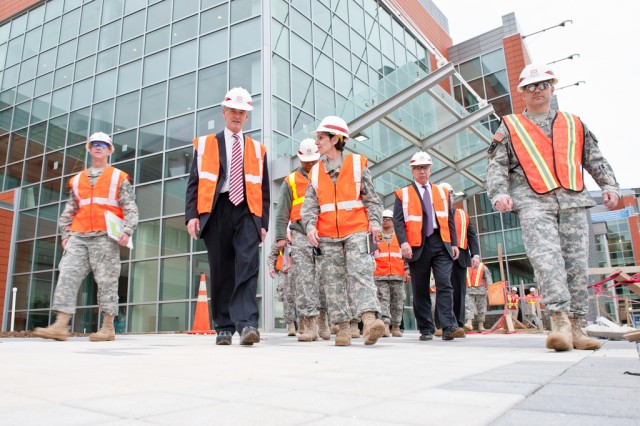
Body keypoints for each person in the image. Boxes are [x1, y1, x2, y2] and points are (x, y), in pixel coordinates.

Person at [486, 63, 620, 351]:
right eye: (530, 87)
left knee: (575, 265)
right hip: (533, 201)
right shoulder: (511, 126)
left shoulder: (574, 123)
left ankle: (576, 326)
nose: (537, 90)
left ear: (552, 88)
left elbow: (594, 158)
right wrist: (499, 194)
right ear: (522, 92)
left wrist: (609, 186)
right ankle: (558, 322)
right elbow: (496, 166)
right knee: (547, 260)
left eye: (542, 85)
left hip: (572, 200)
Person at [34, 132, 138, 342]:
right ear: (89, 149)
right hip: (79, 236)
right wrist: (66, 234)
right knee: (67, 275)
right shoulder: (77, 179)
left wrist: (127, 231)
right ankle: (60, 325)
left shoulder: (118, 177)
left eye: (103, 145)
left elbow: (130, 207)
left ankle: (108, 327)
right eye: (94, 144)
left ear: (110, 150)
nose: (98, 147)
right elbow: (69, 210)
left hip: (105, 237)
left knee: (107, 281)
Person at [185, 87, 270, 346]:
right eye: (233, 110)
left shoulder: (257, 149)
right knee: (221, 268)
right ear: (224, 112)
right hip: (217, 209)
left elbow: (264, 187)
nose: (237, 115)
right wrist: (192, 216)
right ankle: (224, 326)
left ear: (247, 118)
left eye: (242, 112)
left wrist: (263, 223)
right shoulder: (206, 144)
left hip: (247, 211)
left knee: (247, 266)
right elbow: (194, 183)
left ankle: (247, 325)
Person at [301, 115, 386, 346]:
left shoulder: (358, 164)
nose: (316, 142)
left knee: (360, 272)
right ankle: (343, 327)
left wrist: (375, 223)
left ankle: (369, 321)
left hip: (357, 229)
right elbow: (309, 206)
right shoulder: (316, 171)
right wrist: (310, 227)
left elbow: (372, 200)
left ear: (335, 138)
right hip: (327, 234)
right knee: (332, 280)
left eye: (320, 138)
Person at [393, 151, 463, 341]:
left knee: (444, 283)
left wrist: (454, 243)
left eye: (425, 168)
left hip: (441, 243)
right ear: (412, 171)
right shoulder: (403, 194)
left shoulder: (442, 192)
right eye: (418, 168)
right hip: (417, 246)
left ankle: (448, 325)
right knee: (420, 288)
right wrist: (403, 242)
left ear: (430, 170)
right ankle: (426, 329)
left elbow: (449, 219)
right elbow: (398, 222)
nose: (422, 171)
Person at [273, 138, 329, 342]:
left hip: (324, 232)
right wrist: (280, 236)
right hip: (299, 232)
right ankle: (311, 323)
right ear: (299, 157)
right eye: (307, 161)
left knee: (324, 279)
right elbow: (282, 211)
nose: (310, 164)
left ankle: (324, 319)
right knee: (305, 280)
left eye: (313, 160)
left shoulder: (327, 175)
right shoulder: (290, 180)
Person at [439, 182, 480, 333]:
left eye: (450, 194)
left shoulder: (463, 214)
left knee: (459, 291)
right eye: (445, 194)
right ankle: (444, 323)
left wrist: (475, 254)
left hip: (461, 255)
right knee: (444, 289)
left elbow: (471, 235)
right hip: (442, 254)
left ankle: (458, 323)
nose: (448, 197)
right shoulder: (436, 214)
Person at [373, 209, 407, 338]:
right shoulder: (375, 236)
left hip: (397, 274)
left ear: (393, 221)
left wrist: (407, 271)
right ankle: (385, 325)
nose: (385, 220)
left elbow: (406, 255)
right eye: (383, 218)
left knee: (398, 301)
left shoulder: (400, 237)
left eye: (388, 218)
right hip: (380, 274)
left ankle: (396, 326)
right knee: (383, 300)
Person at [267, 241, 296, 336]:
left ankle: (303, 323)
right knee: (286, 296)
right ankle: (291, 324)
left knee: (301, 295)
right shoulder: (279, 239)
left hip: (299, 270)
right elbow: (272, 256)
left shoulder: (299, 235)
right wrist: (271, 268)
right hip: (283, 271)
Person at [464, 262, 493, 332]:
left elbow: (488, 277)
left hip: (481, 290)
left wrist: (489, 288)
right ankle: (469, 323)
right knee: (468, 307)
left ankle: (481, 325)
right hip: (468, 290)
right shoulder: (466, 266)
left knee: (481, 308)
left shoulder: (483, 267)